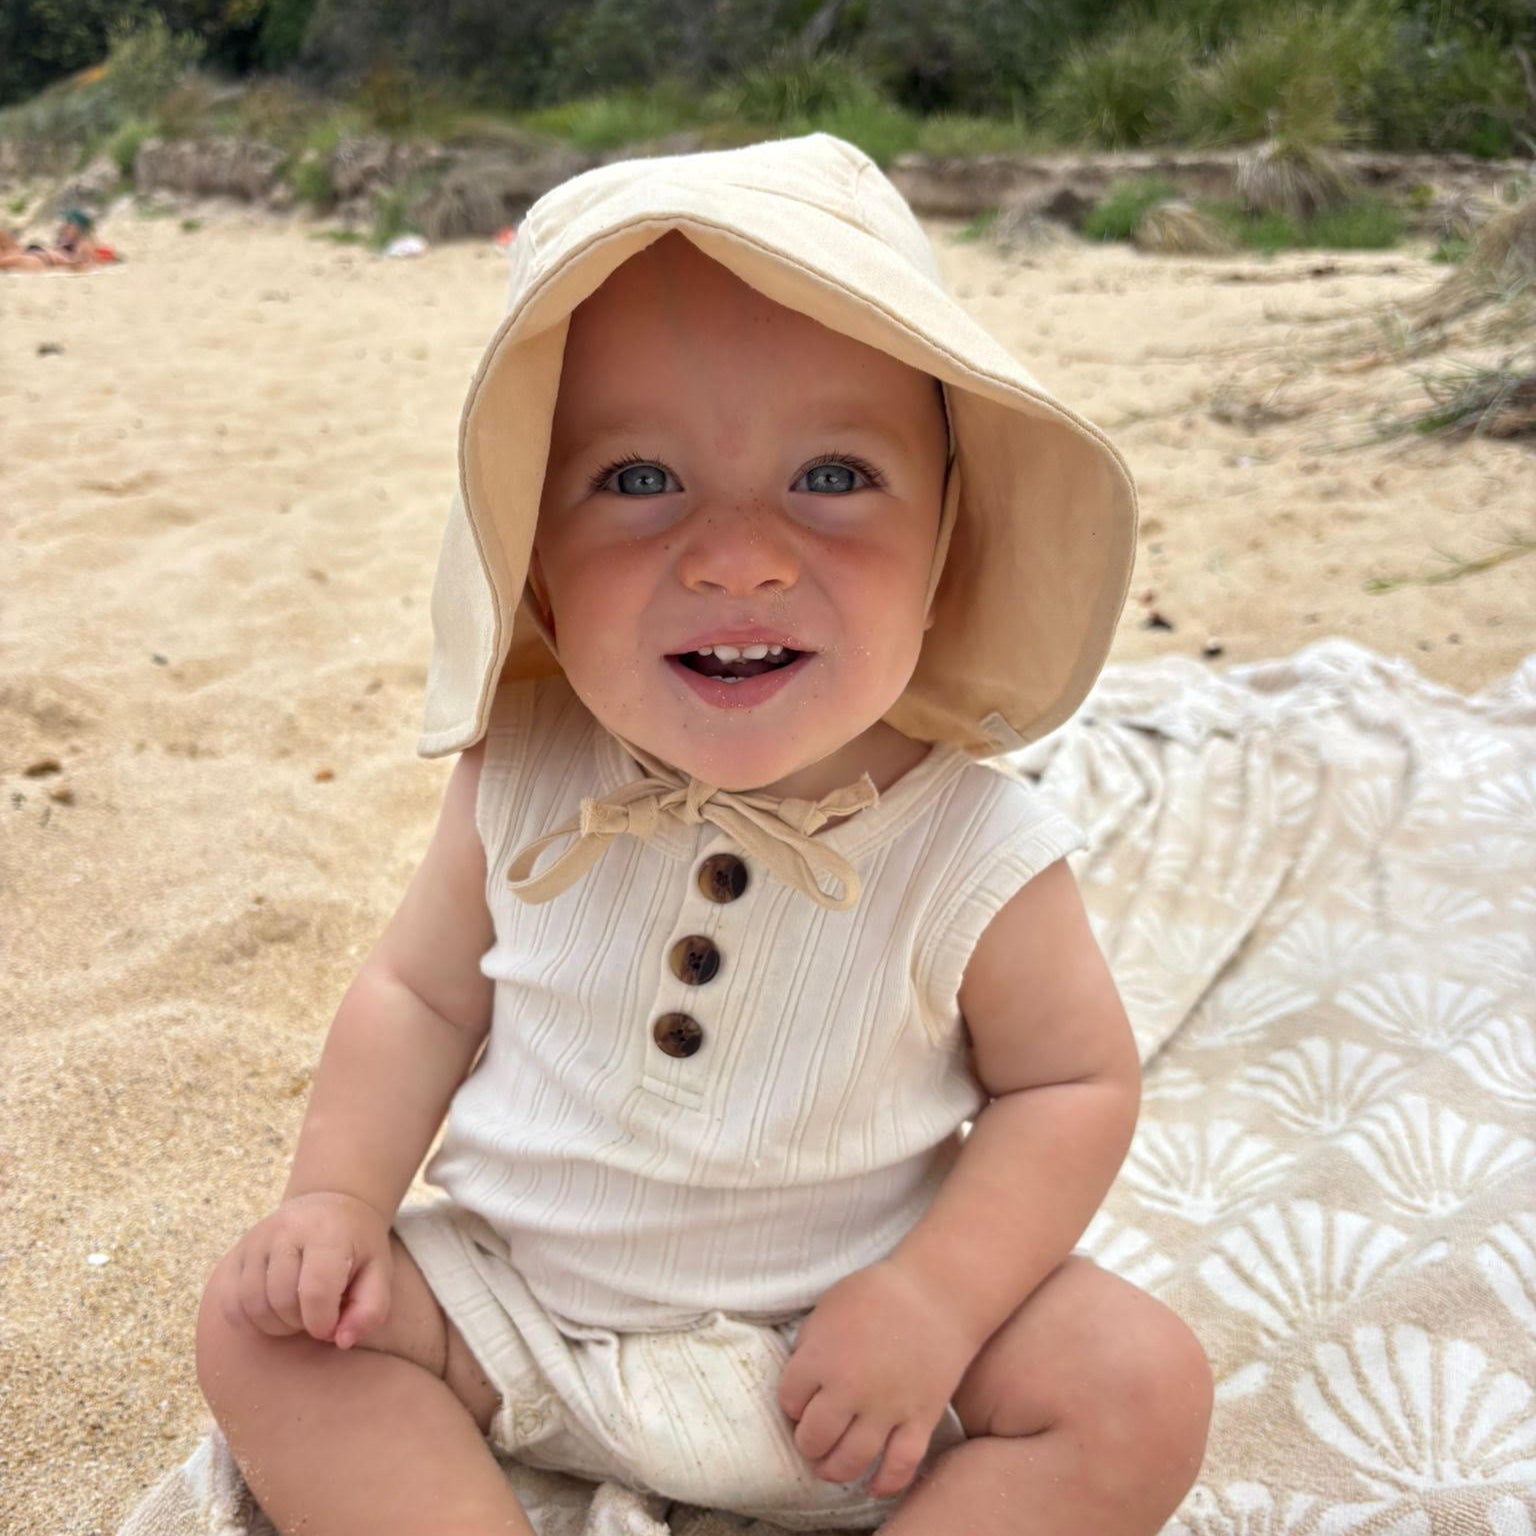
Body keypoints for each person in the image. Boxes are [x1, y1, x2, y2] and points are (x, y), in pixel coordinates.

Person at [193, 133, 1213, 1535]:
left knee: (1137, 1388)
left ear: (949, 547)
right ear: (534, 553)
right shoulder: (526, 770)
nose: (738, 553)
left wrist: (934, 1298)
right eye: (636, 480)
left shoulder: (972, 838)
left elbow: (1072, 1089)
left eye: (835, 476)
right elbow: (416, 995)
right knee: (264, 1329)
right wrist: (335, 1200)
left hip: (846, 1350)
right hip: (519, 1312)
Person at [0, 207, 101, 271]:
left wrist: (70, 263)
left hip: (40, 260)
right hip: (33, 252)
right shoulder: (65, 242)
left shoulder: (84, 242)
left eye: (70, 223)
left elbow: (87, 263)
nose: (65, 226)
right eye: (65, 222)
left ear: (80, 228)